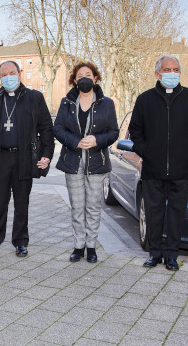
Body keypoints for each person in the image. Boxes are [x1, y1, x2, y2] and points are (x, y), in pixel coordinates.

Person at [129, 55, 188, 271]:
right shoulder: (145, 100)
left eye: (175, 69)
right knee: (153, 212)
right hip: (153, 168)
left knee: (177, 213)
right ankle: (154, 253)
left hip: (181, 168)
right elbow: (135, 129)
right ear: (157, 73)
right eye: (167, 69)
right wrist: (144, 150)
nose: (171, 73)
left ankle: (172, 254)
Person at [0, 61, 53, 259]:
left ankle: (20, 242)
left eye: (12, 72)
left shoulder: (34, 98)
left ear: (20, 74)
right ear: (0, 77)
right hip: (0, 158)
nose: (8, 77)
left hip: (23, 158)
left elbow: (46, 127)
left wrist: (47, 153)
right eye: (4, 74)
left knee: (21, 203)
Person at [53, 62, 118, 263]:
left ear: (96, 78)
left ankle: (92, 246)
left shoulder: (107, 103)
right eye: (80, 75)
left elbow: (114, 132)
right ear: (74, 80)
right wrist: (75, 142)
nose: (84, 78)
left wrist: (97, 140)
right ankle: (78, 246)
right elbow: (58, 129)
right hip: (73, 162)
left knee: (93, 207)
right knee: (77, 206)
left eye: (88, 74)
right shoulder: (66, 103)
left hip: (97, 162)